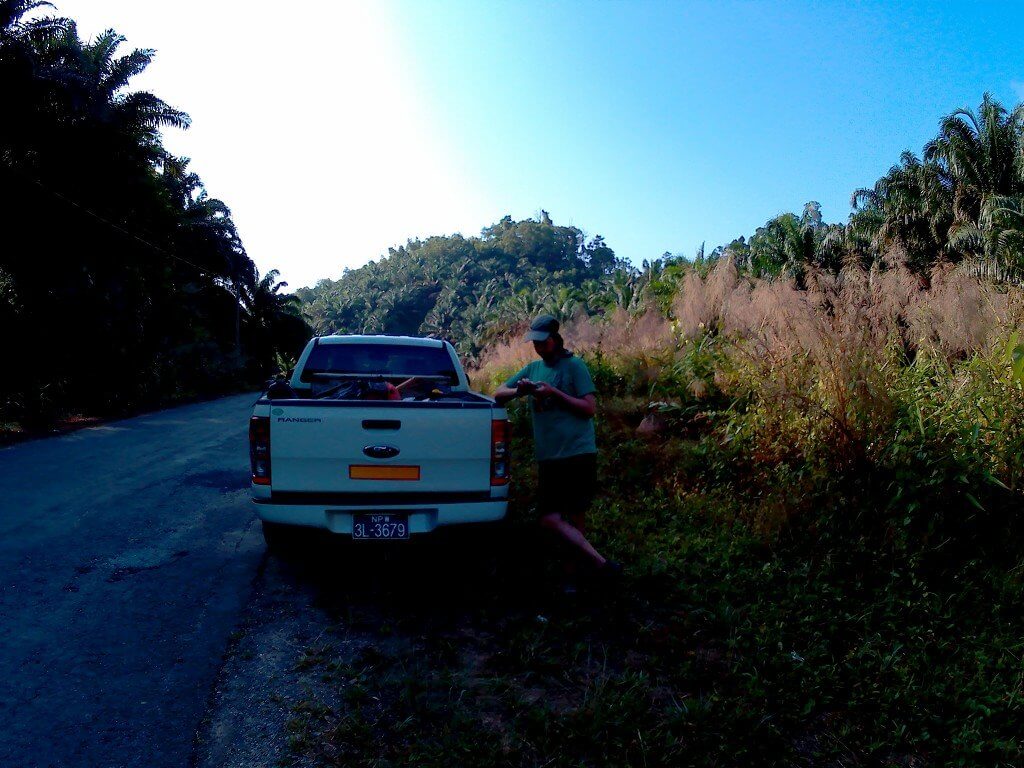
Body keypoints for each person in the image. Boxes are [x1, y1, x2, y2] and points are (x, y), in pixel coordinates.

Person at [493, 314, 621, 585]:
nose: (538, 347)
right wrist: (522, 391)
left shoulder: (574, 367)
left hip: (577, 453)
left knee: (575, 516)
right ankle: (600, 564)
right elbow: (498, 393)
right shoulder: (532, 369)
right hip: (549, 456)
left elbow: (589, 409)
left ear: (554, 339)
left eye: (543, 342)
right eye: (535, 343)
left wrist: (554, 394)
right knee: (549, 518)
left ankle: (571, 577)